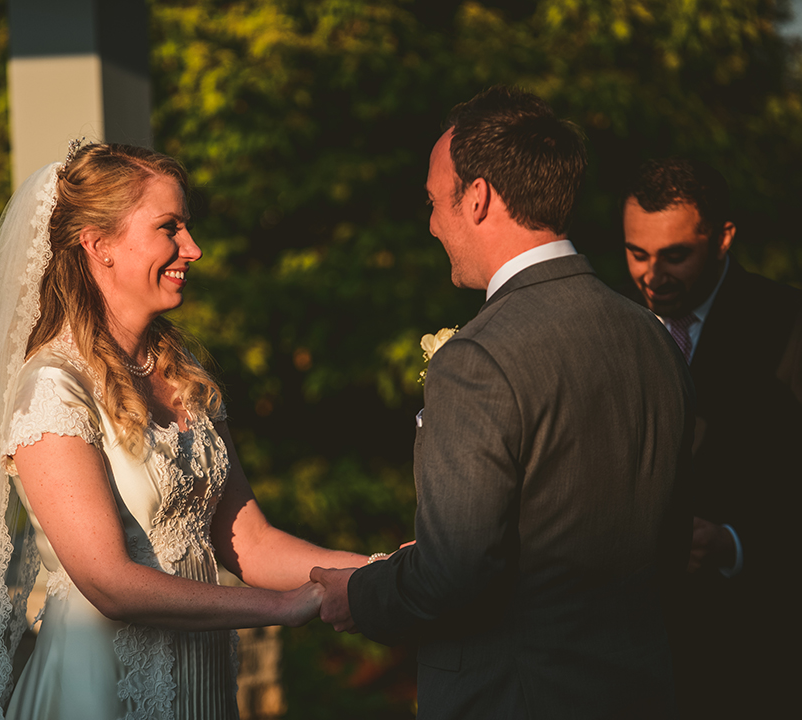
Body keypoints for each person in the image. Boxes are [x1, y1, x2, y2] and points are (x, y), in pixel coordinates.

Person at [0, 142, 368, 720]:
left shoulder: (186, 375)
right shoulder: (54, 387)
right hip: (98, 692)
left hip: (199, 685)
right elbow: (109, 583)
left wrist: (374, 570)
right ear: (98, 244)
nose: (194, 249)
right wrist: (284, 607)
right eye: (169, 228)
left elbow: (248, 541)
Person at [310, 86, 694, 718]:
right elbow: (667, 547)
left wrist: (362, 592)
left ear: (479, 197)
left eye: (436, 202)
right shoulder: (654, 339)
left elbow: (455, 576)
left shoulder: (479, 358)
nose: (432, 223)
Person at [622, 157, 802, 719]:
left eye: (676, 255)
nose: (652, 275)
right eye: (637, 253)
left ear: (723, 238)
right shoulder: (613, 326)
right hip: (631, 655)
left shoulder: (790, 324)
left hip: (754, 656)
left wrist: (734, 544)